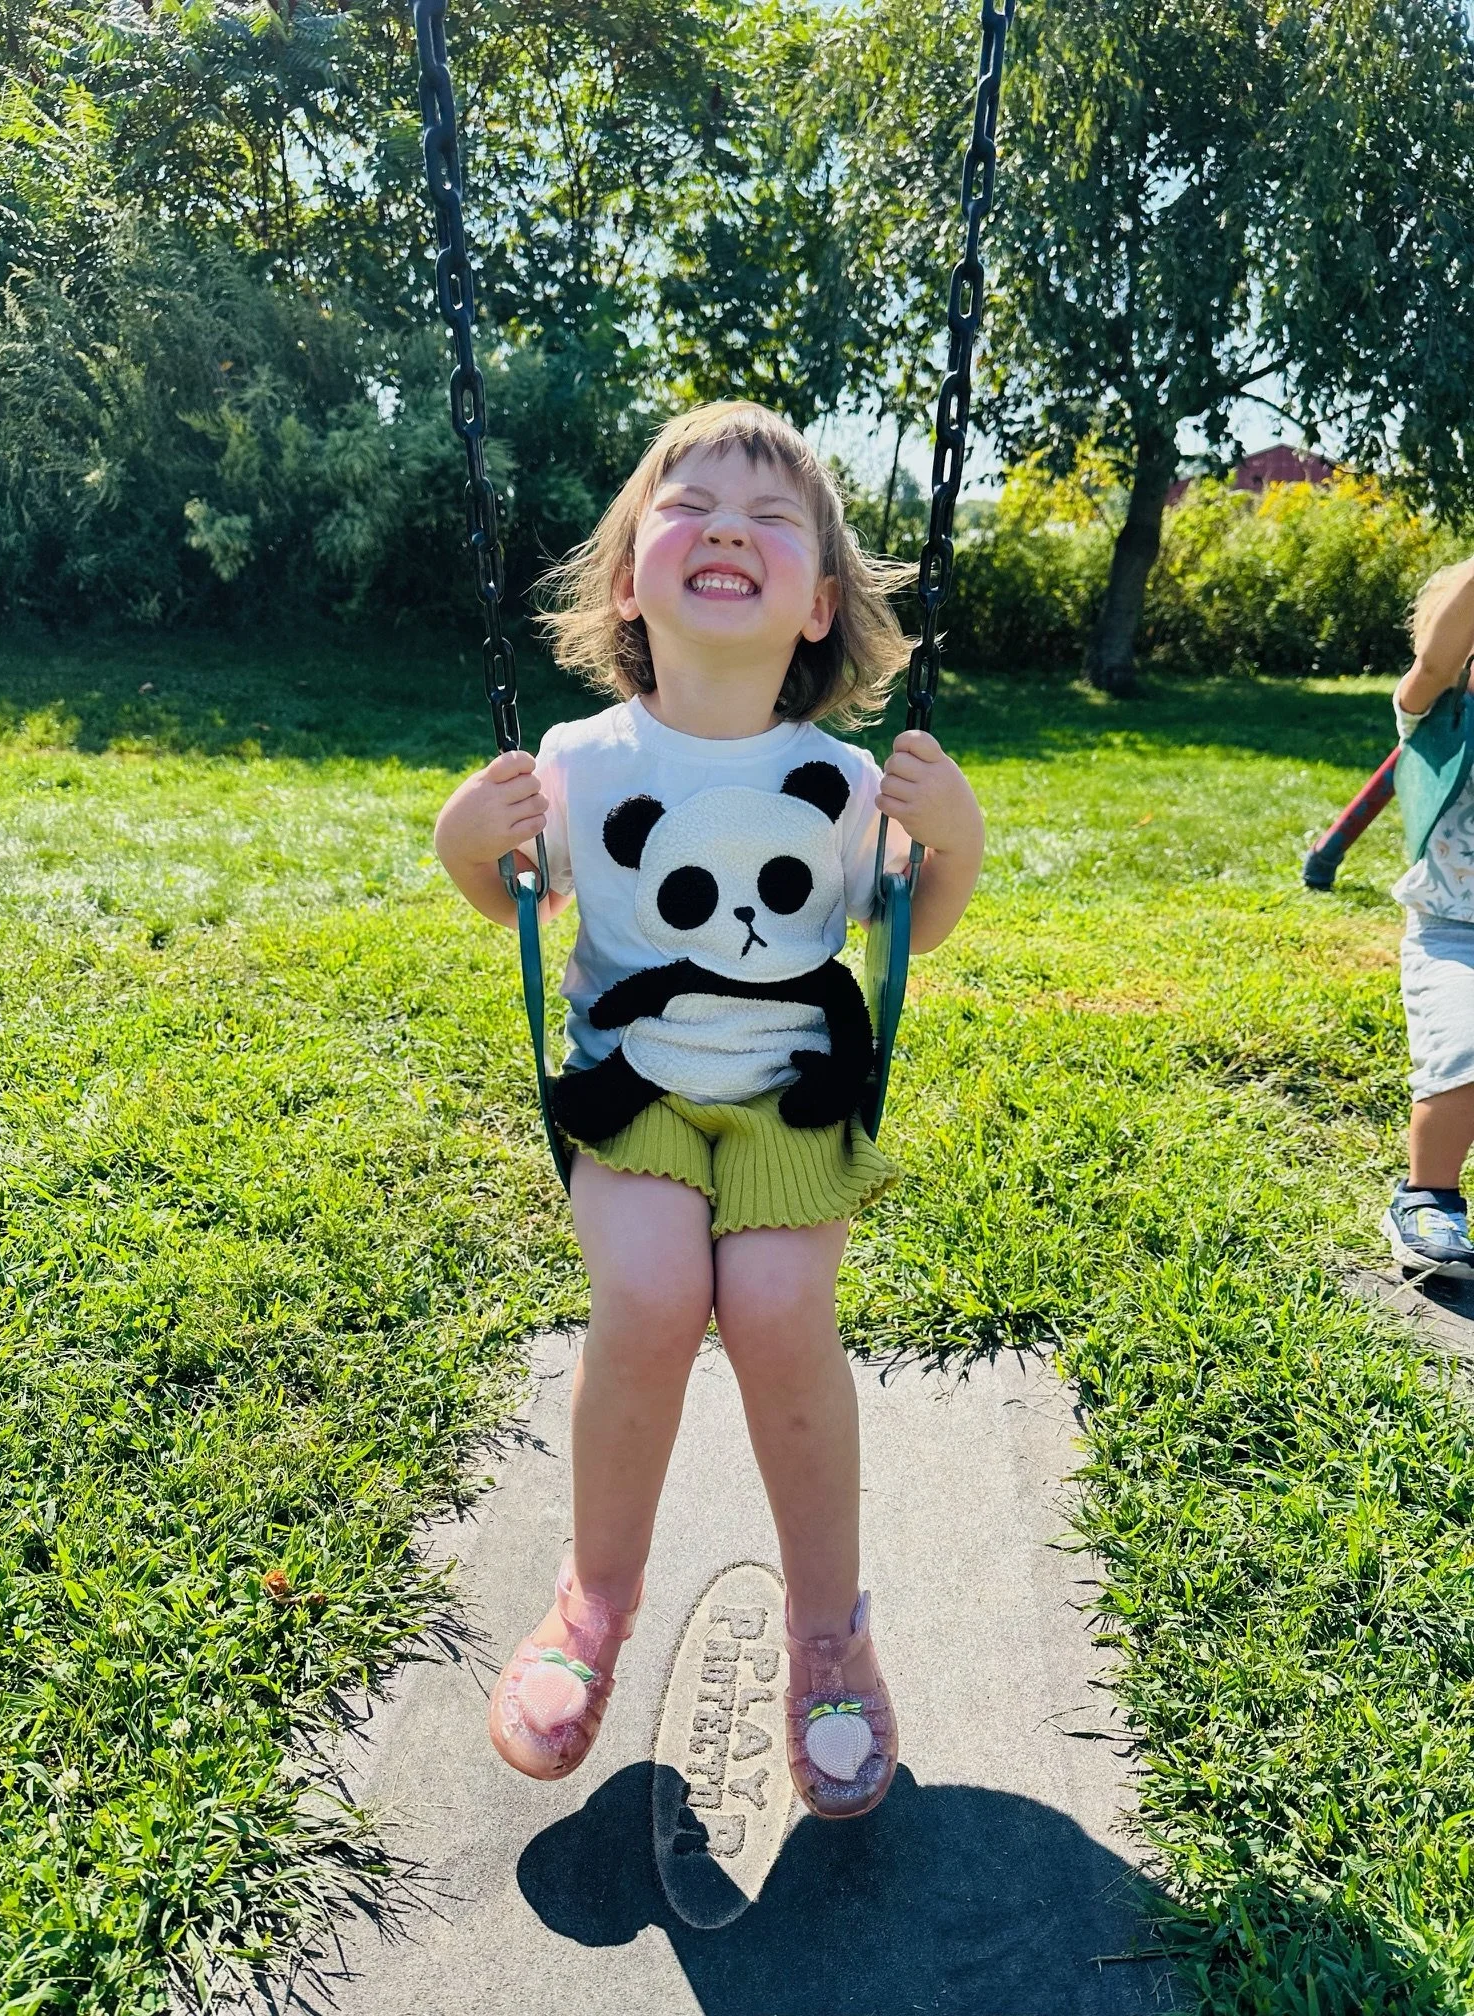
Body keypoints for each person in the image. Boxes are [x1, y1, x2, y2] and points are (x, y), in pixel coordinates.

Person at [434, 400, 983, 1819]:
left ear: (818, 605)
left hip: (794, 1093)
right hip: (636, 1095)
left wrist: (954, 839)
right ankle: (591, 1602)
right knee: (655, 1291)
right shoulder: (578, 760)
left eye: (771, 516)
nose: (727, 526)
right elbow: (512, 893)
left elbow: (913, 922)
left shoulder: (851, 783)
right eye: (687, 506)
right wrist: (465, 842)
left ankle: (827, 1632)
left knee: (788, 1314)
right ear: (630, 578)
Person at [1381, 554, 1474, 1279]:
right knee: (1465, 1053)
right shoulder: (1434, 718)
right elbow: (1438, 656)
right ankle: (1429, 1193)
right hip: (1453, 935)